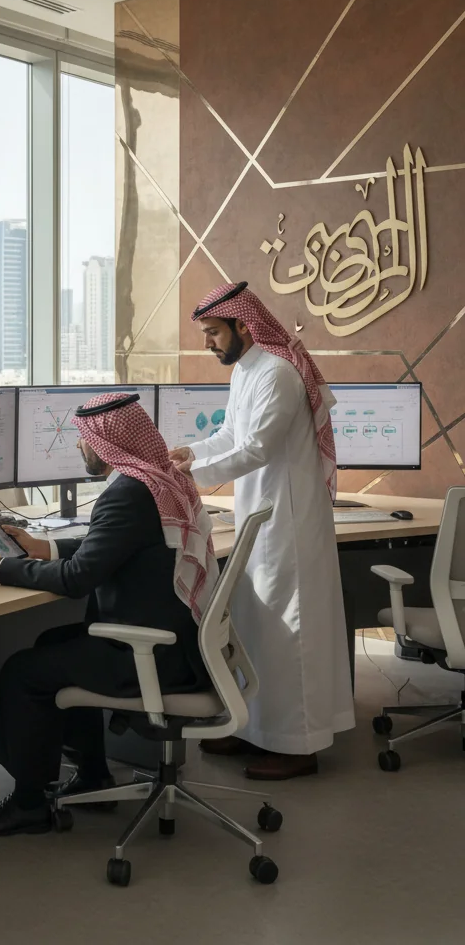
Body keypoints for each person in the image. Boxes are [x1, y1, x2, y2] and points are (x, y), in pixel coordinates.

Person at [0, 393, 217, 836]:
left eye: (83, 440)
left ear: (103, 443)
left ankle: (29, 804)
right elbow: (118, 548)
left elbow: (78, 578)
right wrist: (46, 548)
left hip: (149, 656)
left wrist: (2, 567)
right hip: (182, 647)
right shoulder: (159, 480)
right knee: (52, 645)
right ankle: (93, 772)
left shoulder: (127, 493)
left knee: (24, 671)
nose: (80, 448)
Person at [168, 280, 354, 780]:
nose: (208, 343)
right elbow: (232, 435)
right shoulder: (247, 370)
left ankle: (298, 746)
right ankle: (254, 729)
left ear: (244, 325)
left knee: (288, 633)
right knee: (255, 630)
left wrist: (195, 476)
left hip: (288, 522)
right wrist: (194, 452)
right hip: (261, 517)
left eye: (213, 333)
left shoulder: (278, 374)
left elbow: (259, 449)